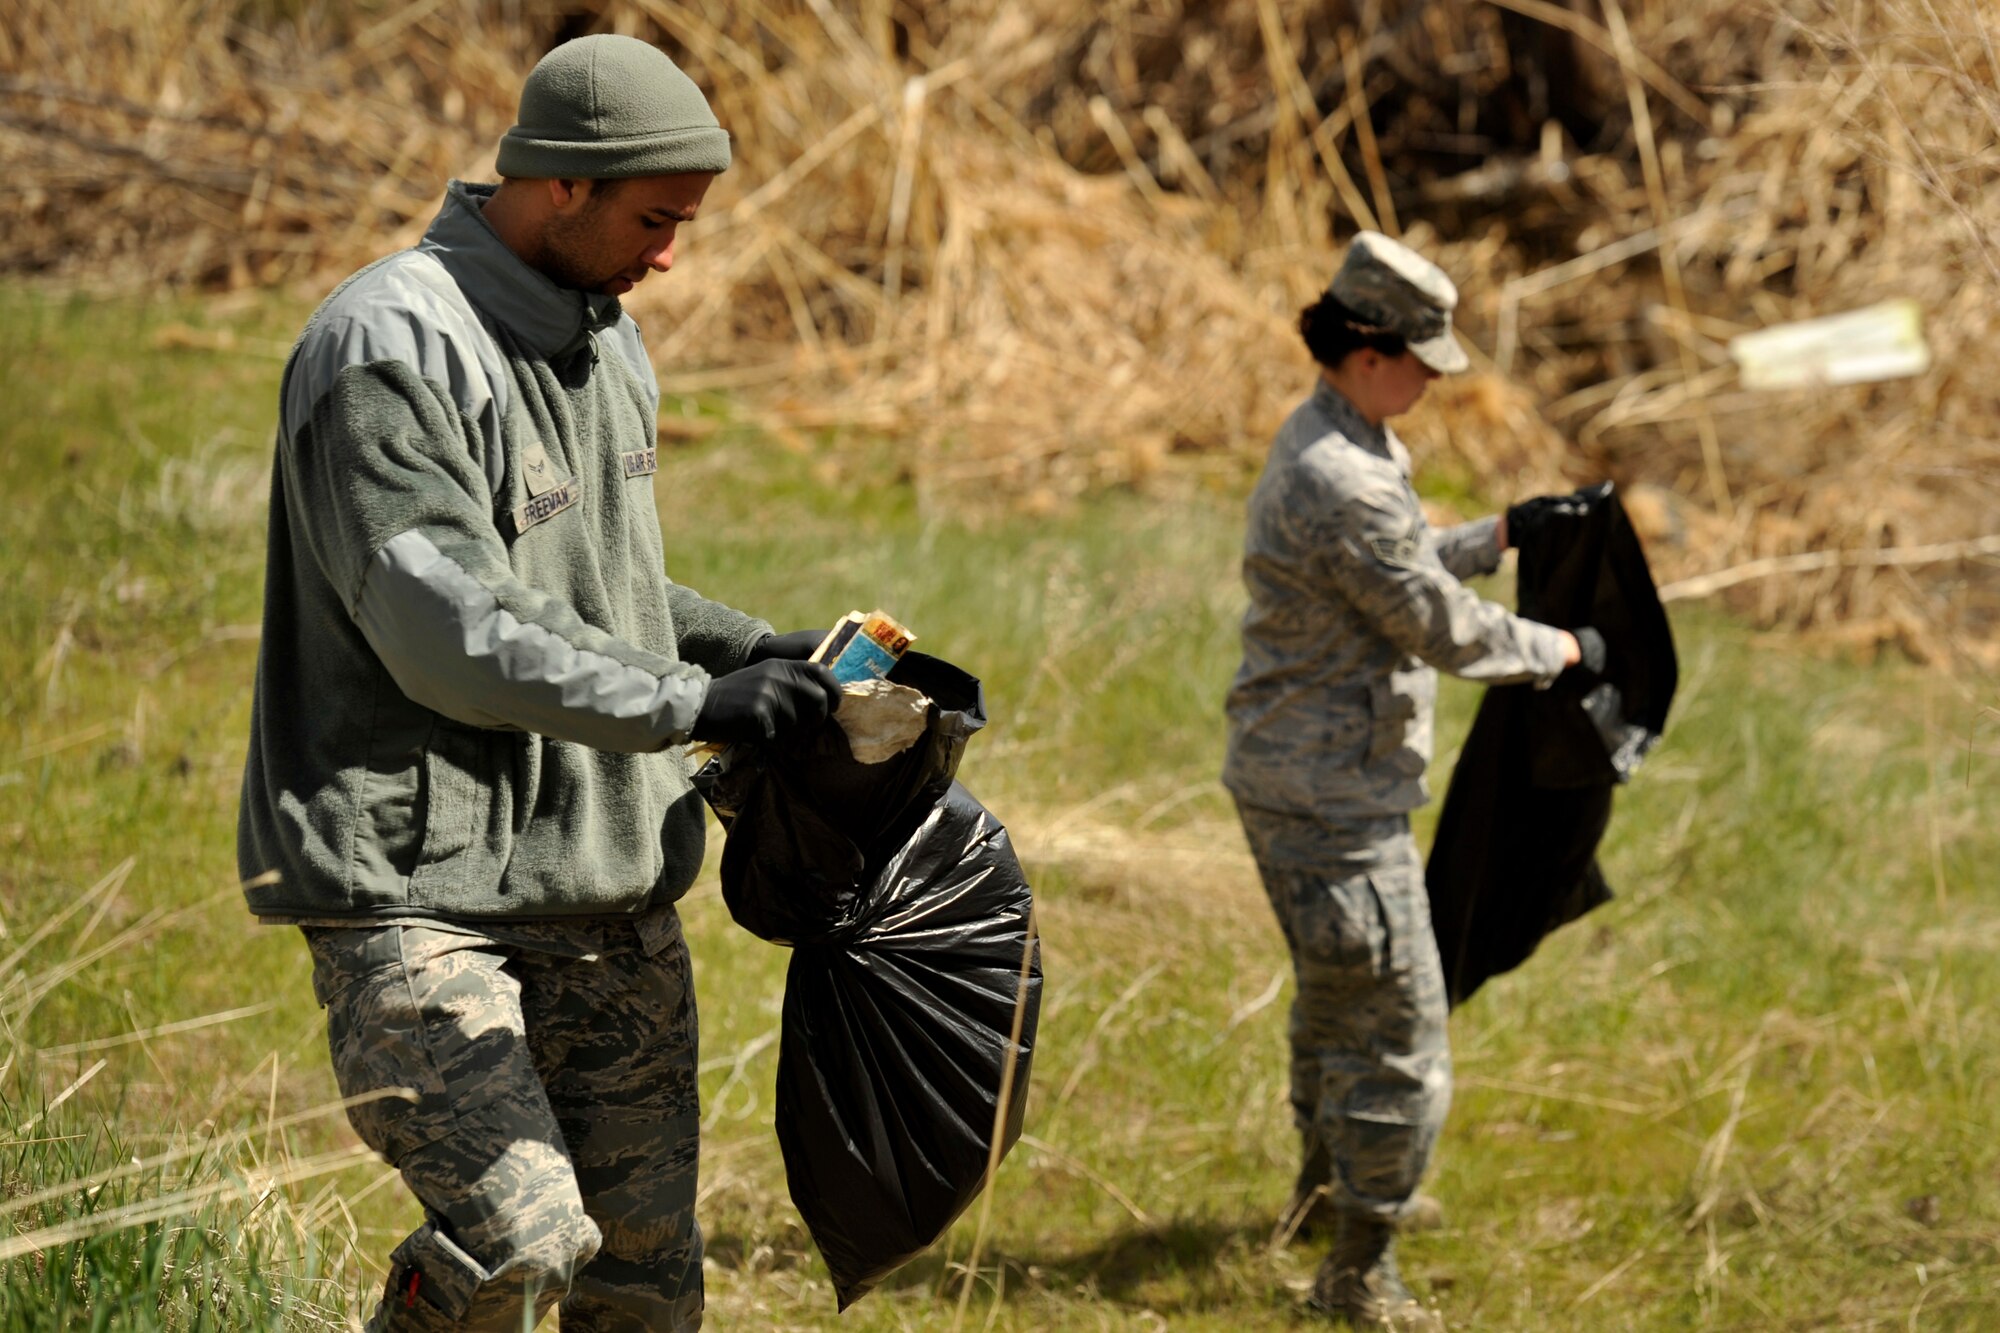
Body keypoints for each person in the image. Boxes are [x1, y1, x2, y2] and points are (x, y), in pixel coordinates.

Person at [235, 35, 841, 1331]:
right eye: (655, 218)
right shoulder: (392, 347)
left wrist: (741, 649)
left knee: (642, 1263)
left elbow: (593, 590)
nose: (671, 254)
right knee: (520, 1237)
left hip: (602, 879)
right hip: (416, 891)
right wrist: (689, 706)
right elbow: (445, 629)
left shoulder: (608, 343)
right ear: (560, 183)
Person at [1221, 232, 1603, 1331]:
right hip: (1332, 802)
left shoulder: (1342, 435)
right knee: (1397, 1034)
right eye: (1423, 357)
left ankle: (1323, 1193)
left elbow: (1394, 569)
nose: (1438, 377)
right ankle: (1357, 1268)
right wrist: (1562, 651)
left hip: (1301, 778)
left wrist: (1495, 536)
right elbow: (1433, 625)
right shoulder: (1341, 472)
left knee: (1336, 1001)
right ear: (1368, 347)